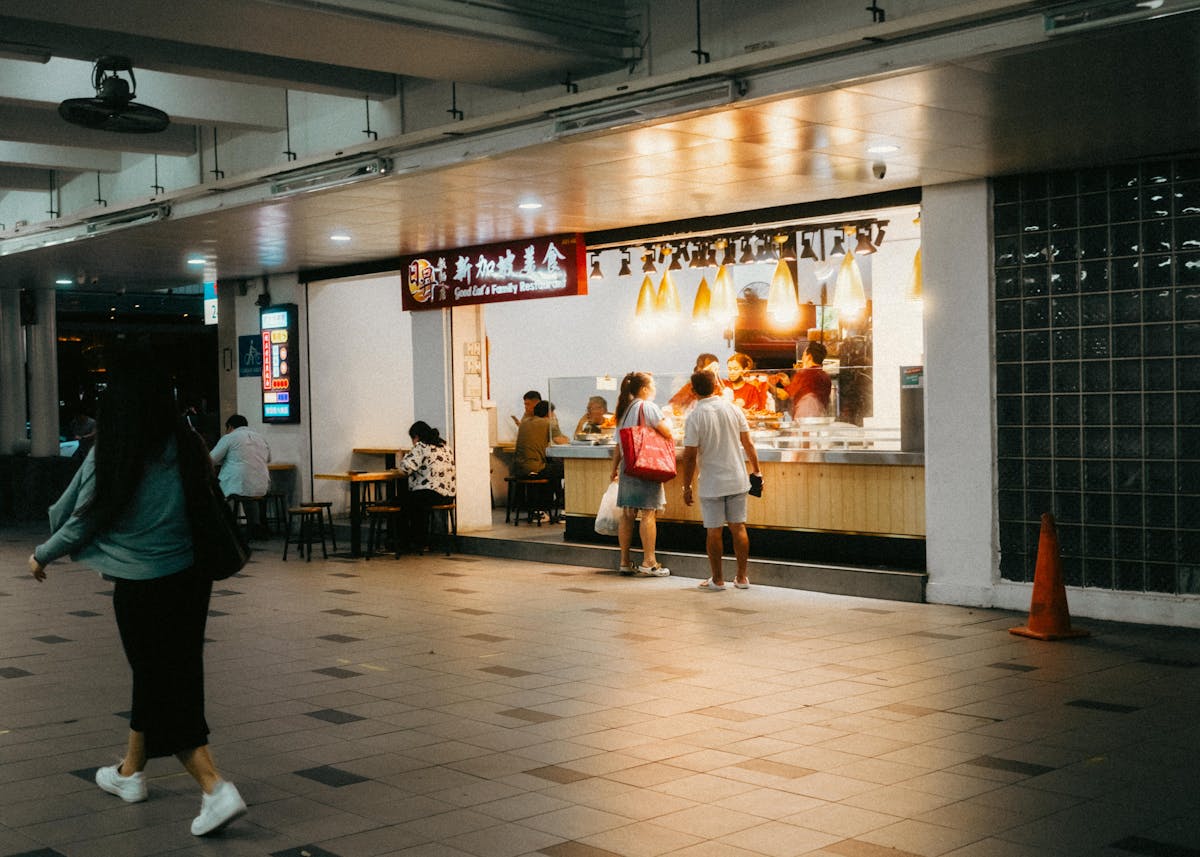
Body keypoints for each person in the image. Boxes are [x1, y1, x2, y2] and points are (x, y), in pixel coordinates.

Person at [27, 346, 247, 837]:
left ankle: (215, 788)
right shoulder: (185, 442)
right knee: (166, 673)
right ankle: (130, 773)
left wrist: (42, 554)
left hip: (142, 586)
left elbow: (84, 518)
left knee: (162, 683)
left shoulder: (118, 448)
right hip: (191, 582)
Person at [680, 370, 762, 590]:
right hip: (737, 478)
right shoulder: (733, 409)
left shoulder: (695, 417)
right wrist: (756, 470)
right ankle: (742, 578)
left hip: (712, 482)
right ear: (716, 386)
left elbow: (689, 456)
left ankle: (717, 580)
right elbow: (749, 444)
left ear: (693, 390)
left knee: (714, 531)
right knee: (739, 527)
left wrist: (686, 485)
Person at [611, 372, 673, 577]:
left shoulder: (623, 410)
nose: (655, 388)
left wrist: (614, 469)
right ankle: (649, 562)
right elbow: (667, 432)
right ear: (644, 389)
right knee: (648, 513)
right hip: (647, 464)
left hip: (628, 466)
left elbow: (618, 446)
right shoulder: (648, 407)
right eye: (652, 385)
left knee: (627, 514)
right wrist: (670, 421)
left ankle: (624, 561)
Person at [209, 414, 271, 537]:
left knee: (218, 493)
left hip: (237, 485)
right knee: (249, 494)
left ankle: (227, 527)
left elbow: (211, 459)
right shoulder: (260, 438)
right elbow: (268, 459)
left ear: (230, 427)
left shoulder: (230, 437)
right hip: (262, 486)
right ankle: (254, 526)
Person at [398, 421, 456, 553]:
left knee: (402, 502)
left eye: (412, 439)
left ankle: (407, 542)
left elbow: (405, 469)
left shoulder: (421, 446)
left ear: (416, 436)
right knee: (414, 502)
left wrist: (400, 458)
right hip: (448, 495)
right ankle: (421, 541)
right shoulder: (445, 446)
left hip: (430, 493)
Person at [514, 400, 568, 518]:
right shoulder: (548, 423)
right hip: (536, 467)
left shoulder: (524, 423)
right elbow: (561, 442)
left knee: (554, 469)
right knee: (569, 470)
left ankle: (540, 510)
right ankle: (565, 511)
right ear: (549, 413)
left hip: (519, 468)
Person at [772, 341, 832, 419]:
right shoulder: (825, 376)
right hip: (821, 418)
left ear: (809, 357)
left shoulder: (804, 374)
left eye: (803, 355)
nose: (802, 359)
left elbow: (784, 395)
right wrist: (788, 384)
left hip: (804, 419)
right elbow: (803, 391)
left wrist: (767, 384)